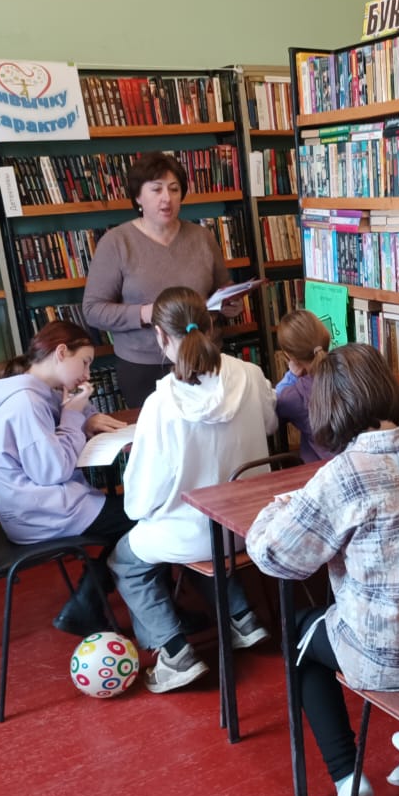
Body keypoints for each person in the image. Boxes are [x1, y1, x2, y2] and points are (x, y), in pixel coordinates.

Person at [246, 343, 399, 796]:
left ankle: (346, 777)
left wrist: (275, 510)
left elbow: (275, 557)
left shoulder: (341, 475)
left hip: (391, 657)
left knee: (299, 636)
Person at [109, 286, 277, 693]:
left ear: (160, 336)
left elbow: (140, 500)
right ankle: (242, 617)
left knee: (125, 561)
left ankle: (174, 653)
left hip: (195, 533)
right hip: (251, 522)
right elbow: (270, 425)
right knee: (207, 543)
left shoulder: (161, 404)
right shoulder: (250, 374)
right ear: (209, 323)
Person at [0, 321, 131, 635]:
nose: (87, 373)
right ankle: (88, 601)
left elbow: (69, 423)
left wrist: (85, 414)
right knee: (144, 515)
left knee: (136, 513)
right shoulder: (25, 402)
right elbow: (52, 470)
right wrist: (74, 414)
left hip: (45, 504)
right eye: (84, 362)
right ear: (61, 353)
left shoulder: (43, 390)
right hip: (40, 513)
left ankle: (90, 597)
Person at [82, 151, 238, 407]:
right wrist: (147, 313)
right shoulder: (116, 242)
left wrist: (230, 303)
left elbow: (223, 288)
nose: (167, 198)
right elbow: (93, 310)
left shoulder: (202, 237)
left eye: (174, 189)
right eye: (156, 189)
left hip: (202, 358)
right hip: (144, 365)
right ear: (137, 197)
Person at [273, 309, 335, 463]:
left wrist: (291, 376)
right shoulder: (352, 370)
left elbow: (272, 405)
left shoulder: (294, 396)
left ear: (289, 355)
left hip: (320, 471)